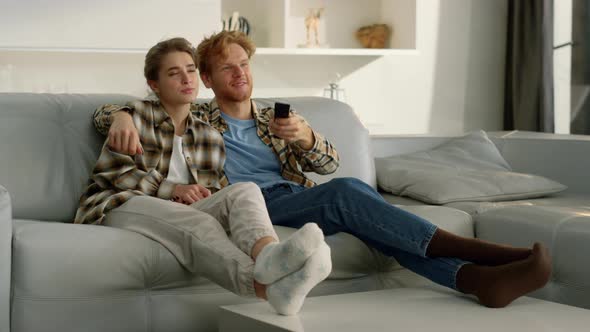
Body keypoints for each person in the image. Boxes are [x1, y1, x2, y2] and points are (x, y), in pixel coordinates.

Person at [94, 31, 552, 308]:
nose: (239, 74)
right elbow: (137, 107)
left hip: (295, 195)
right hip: (255, 204)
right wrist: (115, 114)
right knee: (349, 193)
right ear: (207, 80)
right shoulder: (198, 117)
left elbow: (328, 163)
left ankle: (473, 279)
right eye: (224, 69)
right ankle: (484, 253)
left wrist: (307, 138)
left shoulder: (277, 115)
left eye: (244, 64)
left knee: (367, 216)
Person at [75, 37, 332, 316]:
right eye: (174, 73)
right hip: (120, 204)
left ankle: (271, 256)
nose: (186, 79)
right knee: (197, 220)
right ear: (154, 84)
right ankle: (265, 288)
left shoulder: (209, 135)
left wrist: (201, 195)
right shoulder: (134, 117)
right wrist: (172, 188)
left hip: (177, 210)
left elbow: (211, 189)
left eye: (190, 70)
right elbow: (113, 175)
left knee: (244, 190)